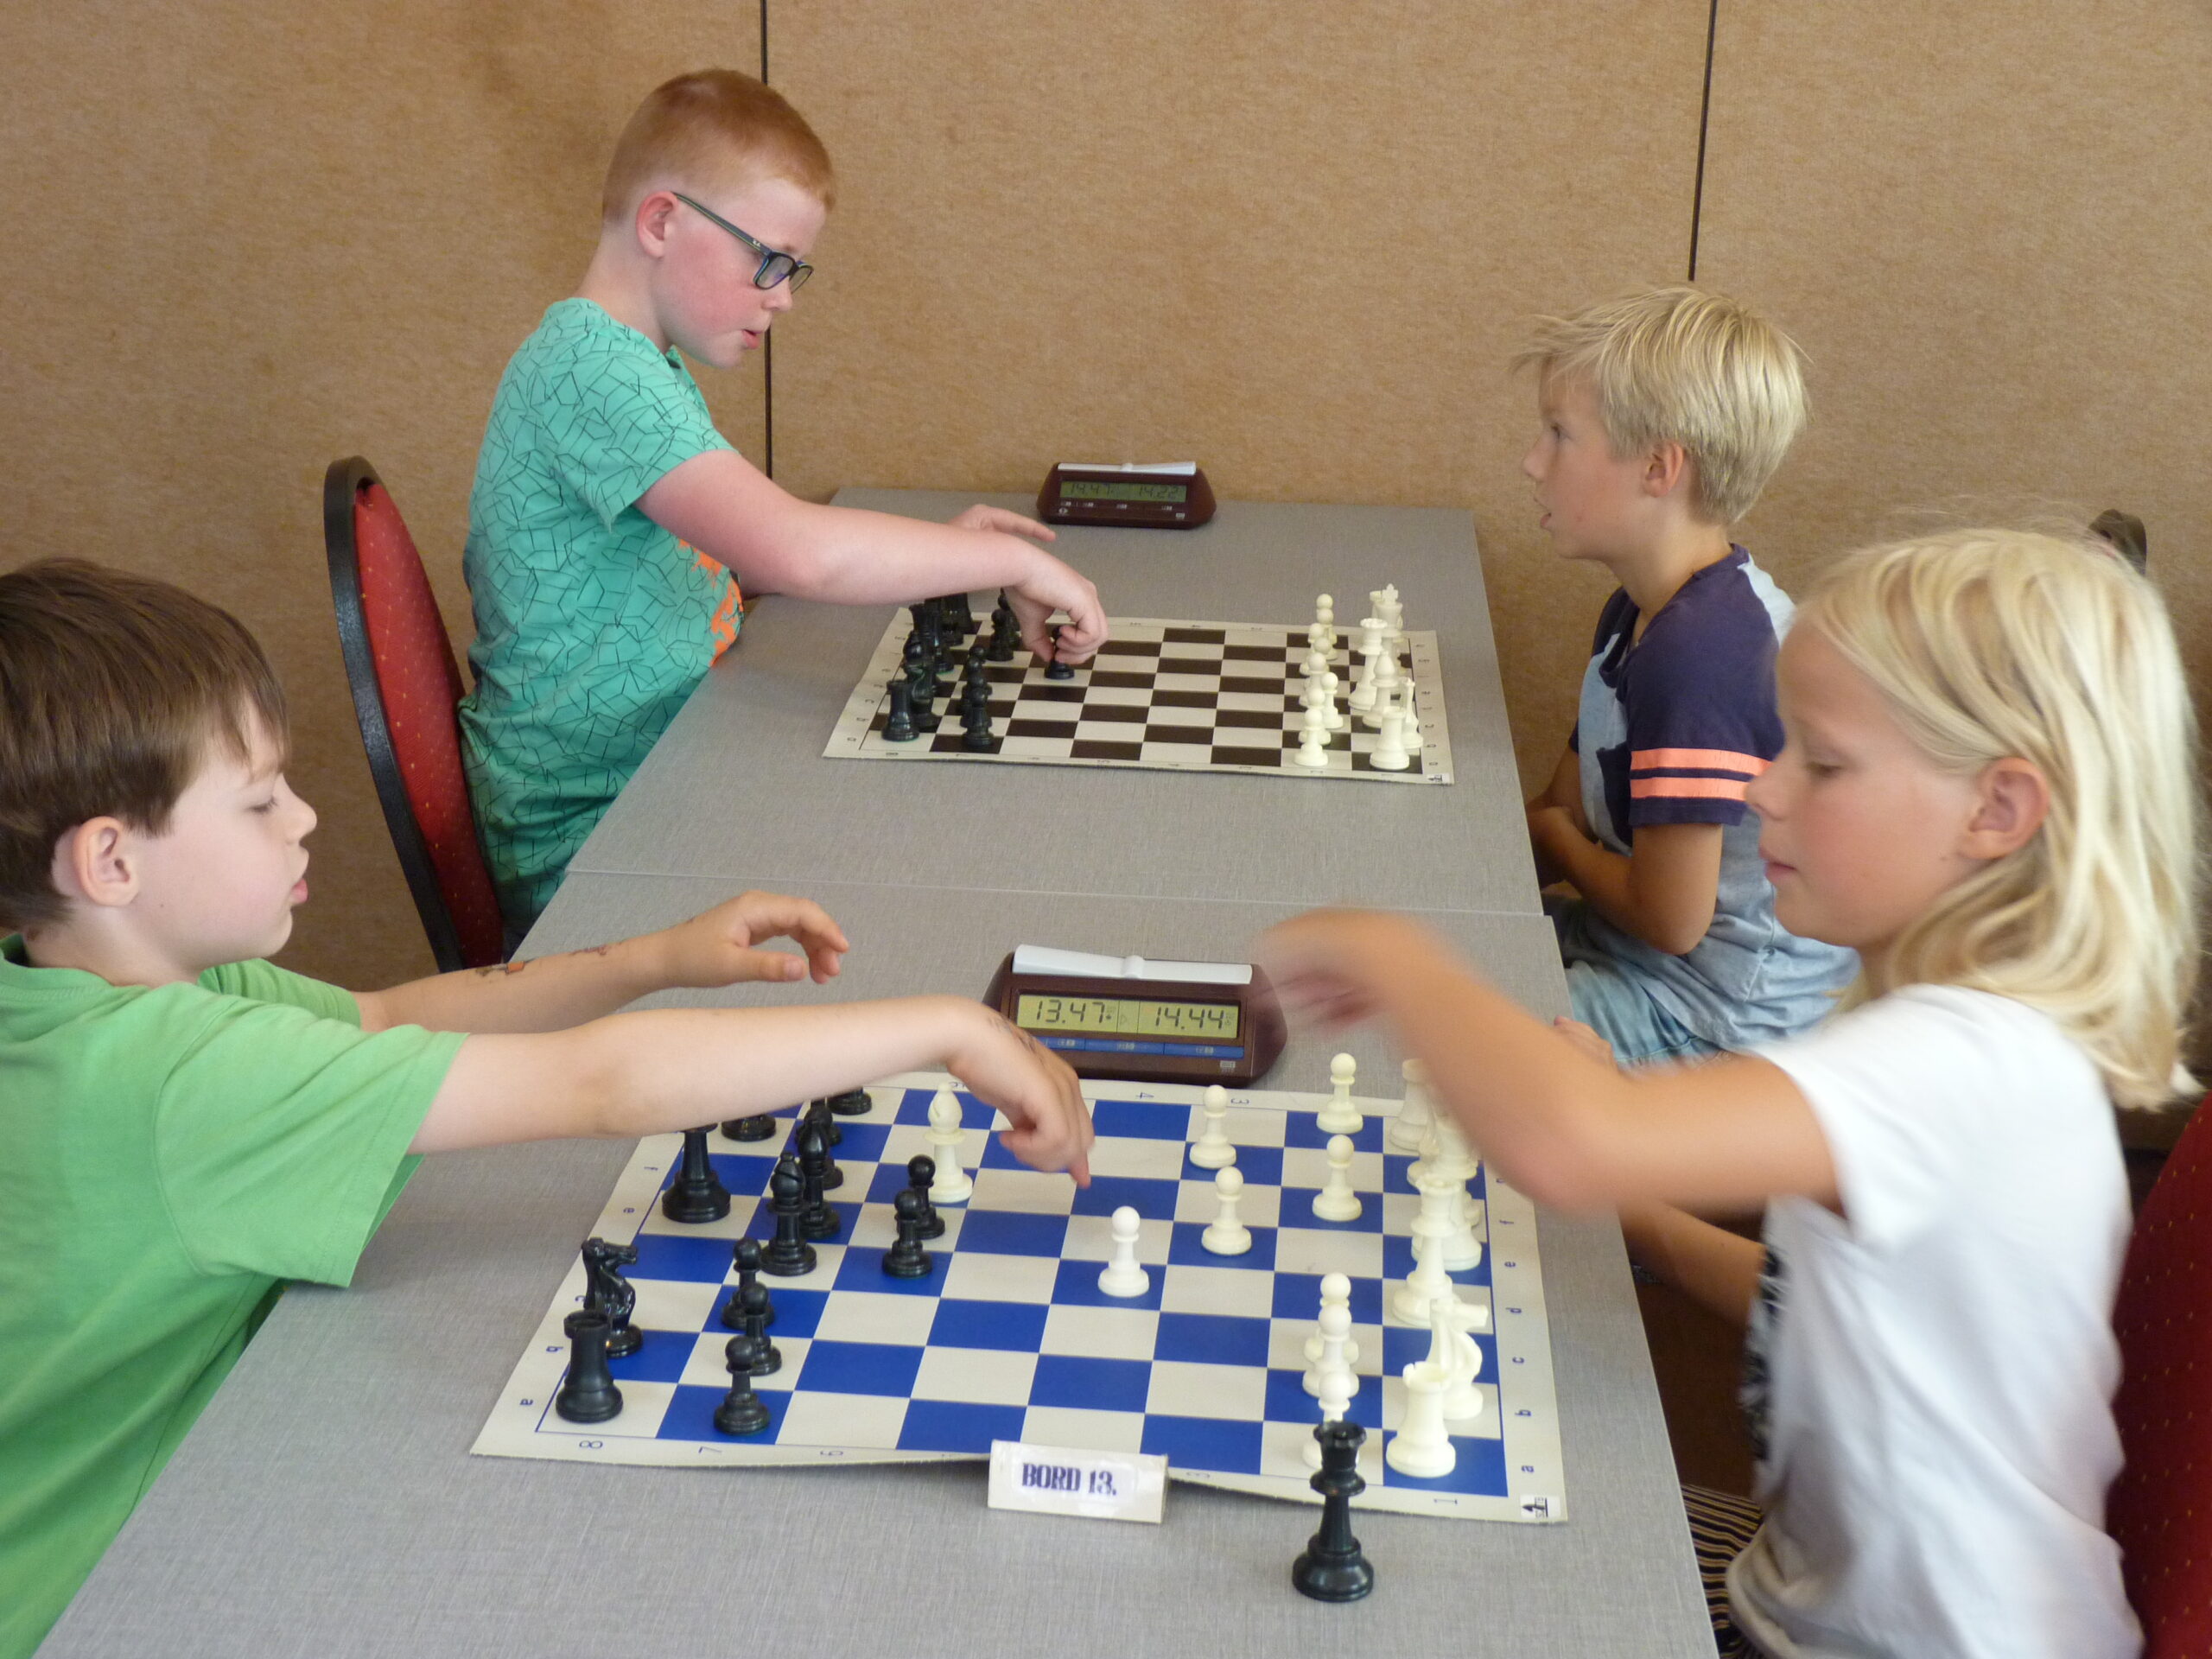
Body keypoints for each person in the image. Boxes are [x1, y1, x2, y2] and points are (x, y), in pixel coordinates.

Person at [0, 560, 1092, 1659]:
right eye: (258, 800)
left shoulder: (88, 988)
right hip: (92, 1593)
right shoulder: (180, 1076)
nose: (305, 814)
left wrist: (653, 959)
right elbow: (602, 1084)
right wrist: (946, 1030)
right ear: (110, 860)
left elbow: (385, 1019)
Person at [1259, 528, 2196, 1658]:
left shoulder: (1965, 1068)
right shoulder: (1961, 1038)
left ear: (1996, 810)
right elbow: (1819, 1308)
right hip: (1808, 1600)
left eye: (1822, 763)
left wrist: (1391, 953)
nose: (1762, 784)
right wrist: (1643, 1211)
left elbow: (1568, 1144)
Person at [461, 68, 1110, 937]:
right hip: (599, 839)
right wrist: (1011, 560)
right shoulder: (594, 371)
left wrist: (935, 554)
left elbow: (737, 546)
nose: (783, 296)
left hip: (669, 766)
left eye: (794, 269)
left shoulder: (630, 359)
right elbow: (794, 551)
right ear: (662, 222)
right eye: (767, 260)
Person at [1516, 285, 1857, 1063]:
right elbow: (1564, 807)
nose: (1531, 462)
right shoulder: (1638, 610)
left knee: (1455, 1044)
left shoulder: (1702, 655)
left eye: (1560, 434)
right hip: (1641, 955)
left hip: (1717, 1016)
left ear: (1658, 467)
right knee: (1432, 960)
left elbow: (1672, 919)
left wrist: (1554, 841)